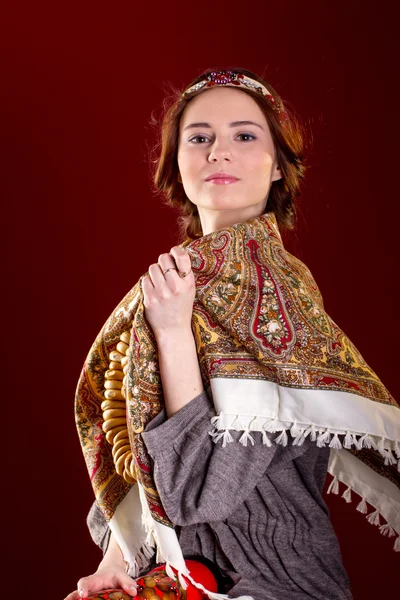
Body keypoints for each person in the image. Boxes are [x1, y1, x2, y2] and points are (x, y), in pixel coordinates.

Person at [67, 68, 400, 600]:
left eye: (245, 136)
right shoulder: (179, 278)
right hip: (183, 575)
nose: (219, 151)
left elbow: (199, 494)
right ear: (177, 164)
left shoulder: (277, 294)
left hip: (274, 586)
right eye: (199, 138)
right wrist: (118, 559)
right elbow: (133, 436)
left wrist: (174, 334)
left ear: (277, 168)